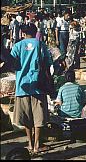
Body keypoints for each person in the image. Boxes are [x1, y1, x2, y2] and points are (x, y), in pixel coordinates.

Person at [10, 23, 52, 154]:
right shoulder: (40, 45)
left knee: (27, 118)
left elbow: (11, 63)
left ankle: (29, 143)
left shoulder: (17, 46)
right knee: (38, 118)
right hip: (38, 86)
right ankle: (37, 145)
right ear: (35, 33)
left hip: (23, 86)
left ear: (23, 33)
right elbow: (48, 63)